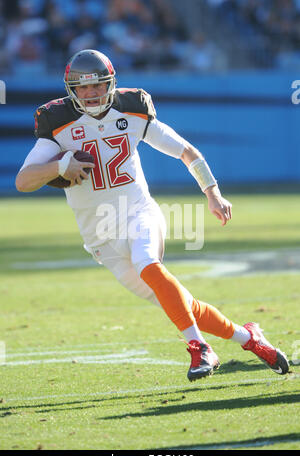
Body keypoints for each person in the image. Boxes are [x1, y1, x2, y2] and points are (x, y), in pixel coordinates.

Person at [16, 49, 289, 381]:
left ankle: (199, 348)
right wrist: (60, 165)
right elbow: (23, 181)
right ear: (71, 89)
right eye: (82, 87)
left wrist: (212, 193)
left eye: (97, 86)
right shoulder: (56, 120)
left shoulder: (132, 108)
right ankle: (251, 339)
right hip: (100, 236)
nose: (90, 94)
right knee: (180, 304)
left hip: (137, 211)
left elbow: (186, 151)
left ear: (111, 84)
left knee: (149, 264)